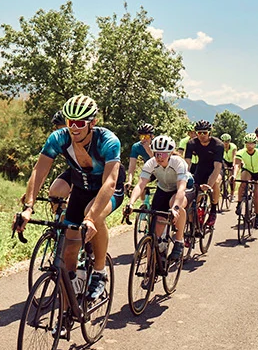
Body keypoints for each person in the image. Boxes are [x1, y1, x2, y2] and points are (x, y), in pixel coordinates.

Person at [17, 95, 124, 302]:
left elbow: (109, 182)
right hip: (81, 189)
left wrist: (91, 219)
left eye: (79, 123)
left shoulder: (108, 141)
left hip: (107, 190)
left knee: (92, 215)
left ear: (92, 123)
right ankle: (68, 308)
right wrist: (28, 207)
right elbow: (39, 171)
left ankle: (100, 273)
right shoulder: (59, 139)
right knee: (68, 253)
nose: (74, 128)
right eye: (69, 122)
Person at [125, 135, 190, 287]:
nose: (159, 157)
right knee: (154, 233)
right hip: (163, 189)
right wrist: (130, 203)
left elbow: (181, 188)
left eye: (163, 154)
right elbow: (141, 184)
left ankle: (179, 241)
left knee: (175, 203)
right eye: (156, 153)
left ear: (170, 153)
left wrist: (175, 208)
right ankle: (150, 271)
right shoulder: (151, 163)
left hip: (181, 189)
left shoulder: (178, 163)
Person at [183, 120, 225, 221]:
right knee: (195, 194)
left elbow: (217, 167)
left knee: (216, 183)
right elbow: (187, 163)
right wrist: (185, 178)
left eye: (205, 133)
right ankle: (195, 220)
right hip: (201, 167)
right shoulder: (191, 143)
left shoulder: (218, 144)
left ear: (209, 133)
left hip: (216, 167)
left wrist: (209, 185)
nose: (202, 135)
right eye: (199, 133)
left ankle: (213, 209)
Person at [231, 134, 258, 225]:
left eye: (252, 143)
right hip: (248, 170)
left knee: (257, 196)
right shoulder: (241, 152)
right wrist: (234, 176)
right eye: (247, 143)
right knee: (243, 184)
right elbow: (237, 165)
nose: (249, 145)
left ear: (255, 144)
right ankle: (239, 203)